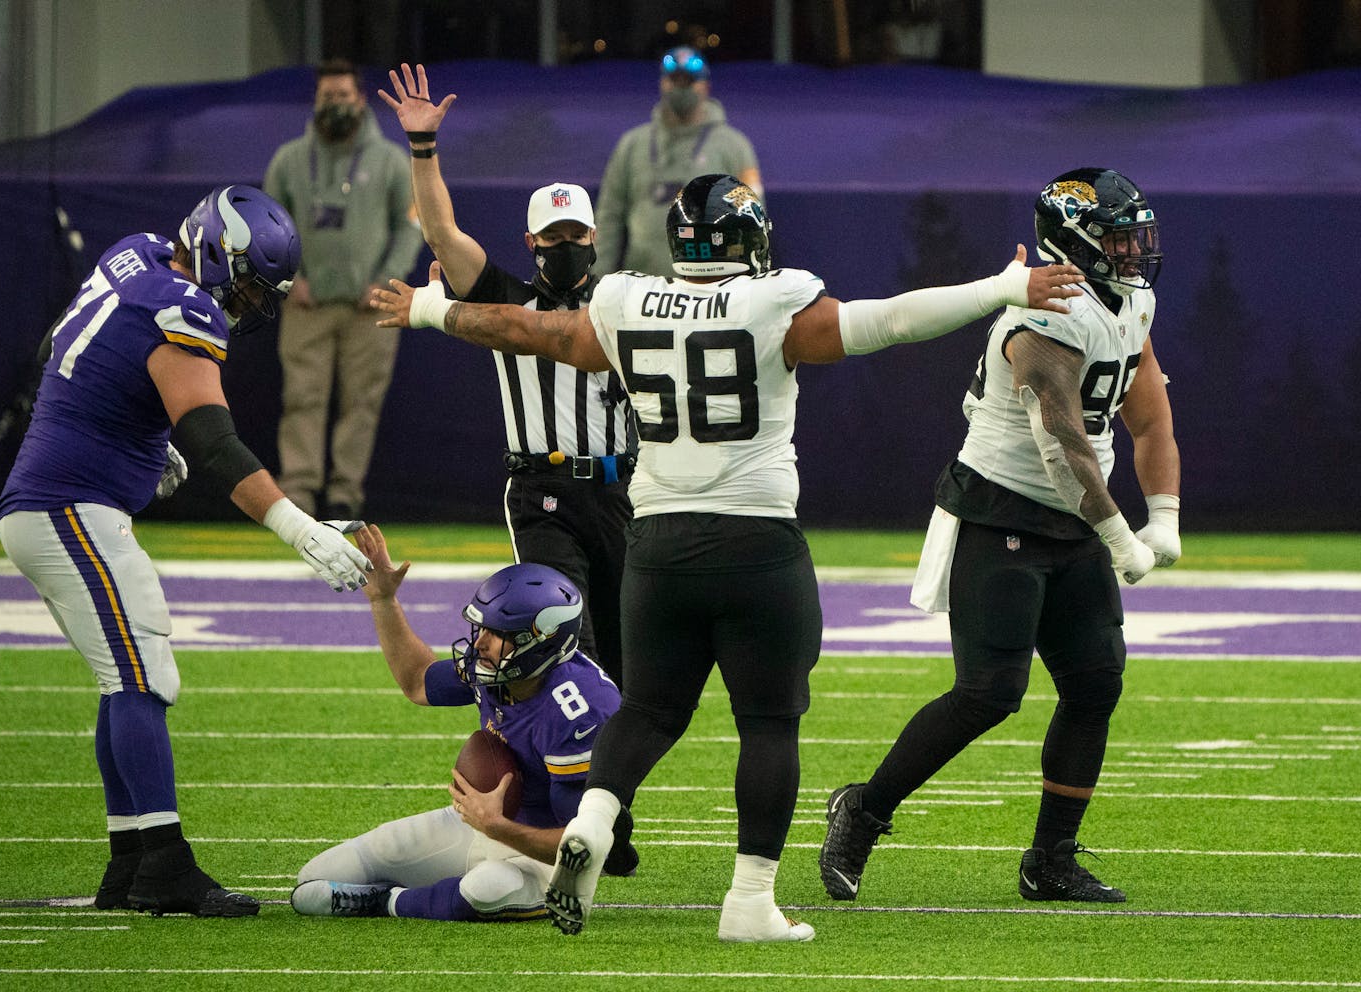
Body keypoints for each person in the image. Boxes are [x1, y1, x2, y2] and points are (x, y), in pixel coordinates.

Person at [372, 173, 1085, 941]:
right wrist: (1003, 286)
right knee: (769, 725)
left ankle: (598, 821)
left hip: (657, 543)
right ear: (751, 240)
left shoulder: (625, 301)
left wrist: (428, 307)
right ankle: (748, 904)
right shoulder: (773, 301)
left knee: (647, 710)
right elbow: (891, 322)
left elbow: (528, 332)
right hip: (755, 545)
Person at [0, 185, 373, 917]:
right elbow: (214, 443)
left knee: (123, 675)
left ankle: (131, 862)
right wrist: (301, 528)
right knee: (143, 672)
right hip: (67, 505)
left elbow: (60, 351)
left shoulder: (131, 254)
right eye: (253, 284)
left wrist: (138, 432)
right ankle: (164, 866)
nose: (253, 303)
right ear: (217, 253)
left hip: (55, 502)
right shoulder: (187, 307)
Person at [817, 167, 1180, 906]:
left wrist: (1166, 510)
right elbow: (1061, 441)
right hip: (1002, 511)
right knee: (989, 692)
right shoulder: (1041, 318)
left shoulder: (1130, 300)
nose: (1135, 250)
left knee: (1095, 684)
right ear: (1075, 240)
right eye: (1117, 237)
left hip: (1076, 517)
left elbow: (1148, 409)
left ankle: (1050, 860)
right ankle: (864, 809)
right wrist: (1121, 537)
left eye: (1136, 234)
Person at [374, 62, 634, 685]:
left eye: (574, 233)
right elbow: (441, 233)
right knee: (570, 640)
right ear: (530, 242)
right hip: (544, 494)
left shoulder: (626, 301)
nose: (564, 244)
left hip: (623, 494)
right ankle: (572, 773)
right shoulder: (506, 303)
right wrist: (423, 146)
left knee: (627, 661)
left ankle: (604, 777)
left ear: (594, 235)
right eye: (552, 236)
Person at [290, 524, 637, 922]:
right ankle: (416, 887)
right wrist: (383, 600)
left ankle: (386, 903)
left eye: (498, 633)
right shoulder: (497, 667)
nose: (479, 643)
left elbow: (586, 846)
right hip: (477, 821)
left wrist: (498, 825)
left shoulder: (579, 710)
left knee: (486, 889)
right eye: (482, 627)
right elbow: (418, 682)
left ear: (540, 641)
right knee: (318, 875)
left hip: (542, 855)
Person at [263, 57, 425, 519]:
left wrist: (385, 281)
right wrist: (290, 279)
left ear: (360, 99)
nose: (335, 104)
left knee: (362, 404)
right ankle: (298, 492)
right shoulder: (290, 159)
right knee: (302, 400)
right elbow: (266, 226)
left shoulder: (392, 161)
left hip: (371, 306)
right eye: (326, 96)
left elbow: (410, 226)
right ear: (316, 101)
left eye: (343, 95)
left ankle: (343, 494)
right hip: (306, 304)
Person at [592, 47, 761, 279]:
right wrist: (597, 278)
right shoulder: (632, 144)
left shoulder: (734, 147)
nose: (681, 87)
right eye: (674, 79)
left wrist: (747, 281)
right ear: (662, 83)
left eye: (689, 81)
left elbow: (752, 220)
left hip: (710, 289)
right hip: (643, 287)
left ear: (705, 86)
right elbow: (608, 217)